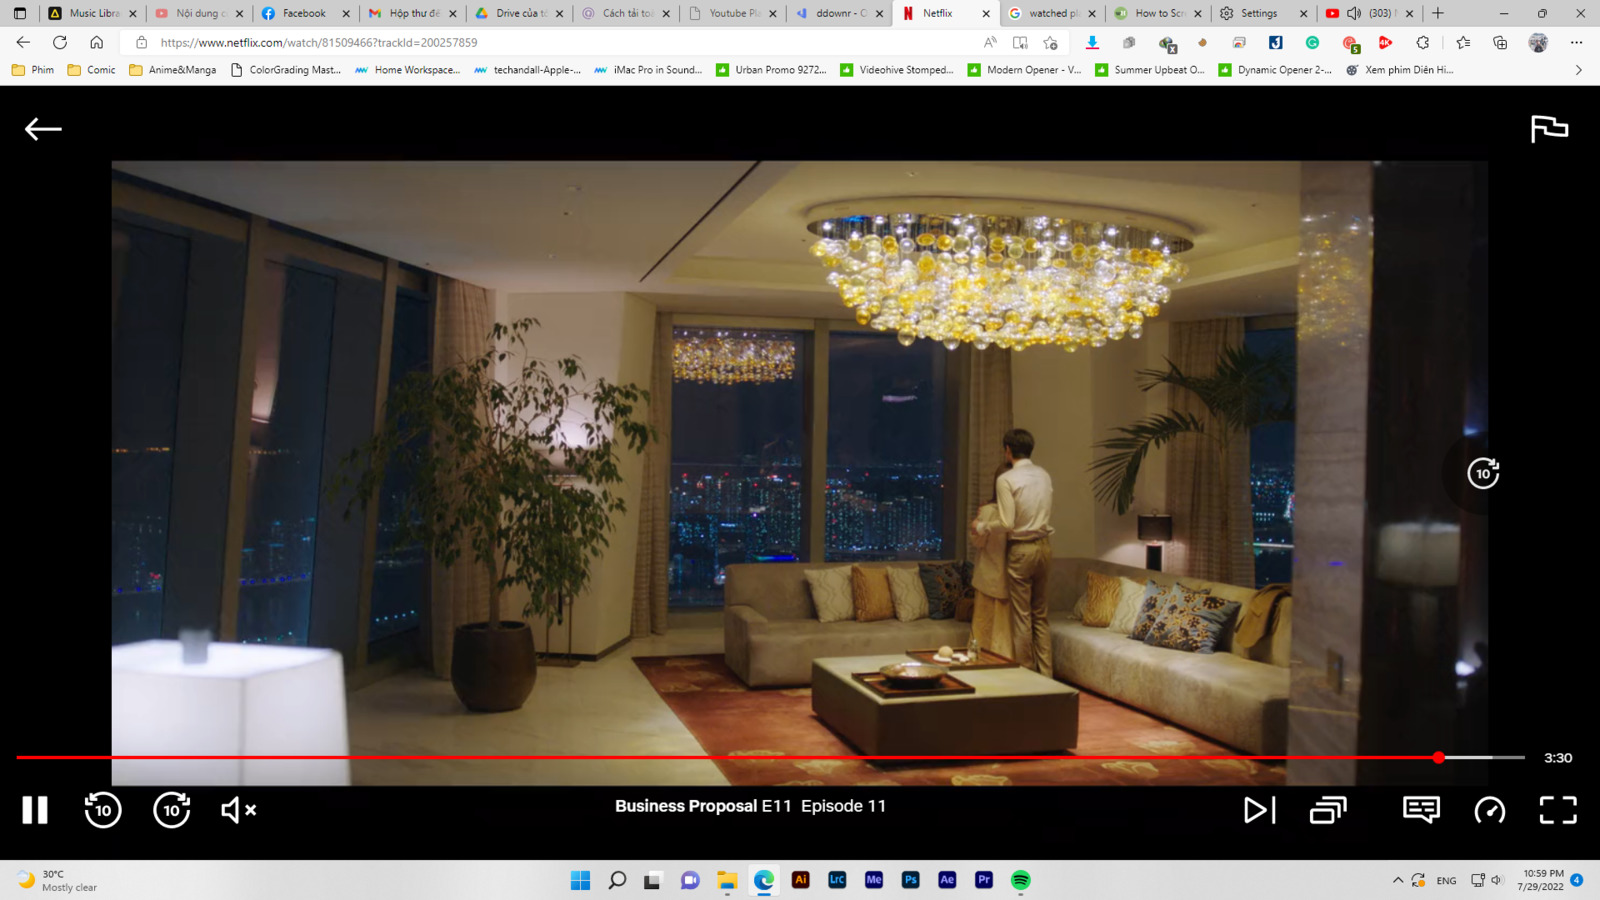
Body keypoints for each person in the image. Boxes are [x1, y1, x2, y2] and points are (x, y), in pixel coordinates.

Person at [971, 428, 1054, 674]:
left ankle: (1028, 676)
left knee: (1022, 617)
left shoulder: (1006, 479)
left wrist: (982, 525)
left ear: (1007, 451)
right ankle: (1048, 676)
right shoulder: (1044, 475)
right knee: (1040, 615)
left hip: (1022, 550)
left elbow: (1007, 523)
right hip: (1044, 547)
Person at [968, 462, 1015, 661]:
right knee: (1006, 633)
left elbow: (978, 541)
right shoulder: (1023, 513)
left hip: (989, 578)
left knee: (983, 632)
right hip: (1013, 580)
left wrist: (976, 525)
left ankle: (982, 666)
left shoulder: (989, 511)